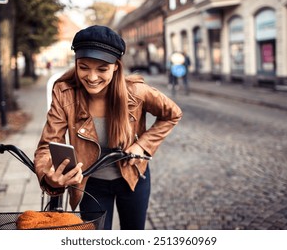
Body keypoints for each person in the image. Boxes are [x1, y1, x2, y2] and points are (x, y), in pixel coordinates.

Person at [34, 25, 182, 230]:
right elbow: (47, 146)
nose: (92, 77)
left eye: (102, 69)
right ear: (76, 64)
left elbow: (172, 114)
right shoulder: (65, 93)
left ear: (116, 67)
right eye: (84, 67)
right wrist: (49, 174)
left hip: (133, 179)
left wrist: (142, 145)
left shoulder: (137, 92)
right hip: (90, 185)